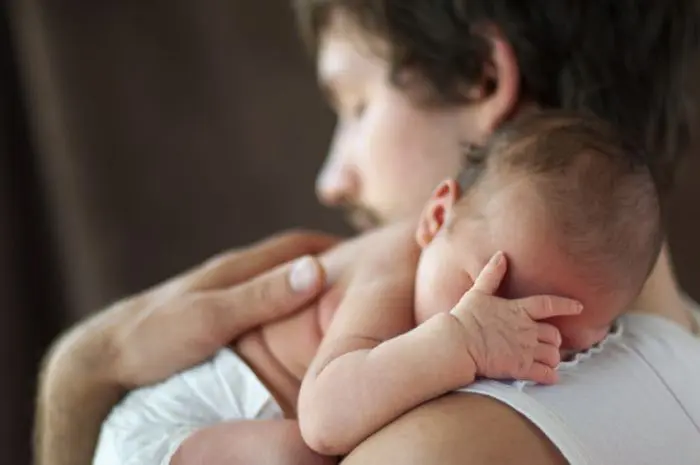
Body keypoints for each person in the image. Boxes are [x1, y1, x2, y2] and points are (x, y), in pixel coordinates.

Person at [35, 1, 700, 465]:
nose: (333, 180)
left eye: (357, 105)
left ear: (484, 77)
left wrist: (82, 373)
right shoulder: (677, 358)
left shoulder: (441, 445)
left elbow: (326, 427)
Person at [94, 112, 657, 465]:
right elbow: (324, 418)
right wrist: (458, 340)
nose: (503, 330)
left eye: (553, 333)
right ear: (437, 218)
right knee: (301, 455)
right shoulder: (393, 268)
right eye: (484, 287)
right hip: (171, 432)